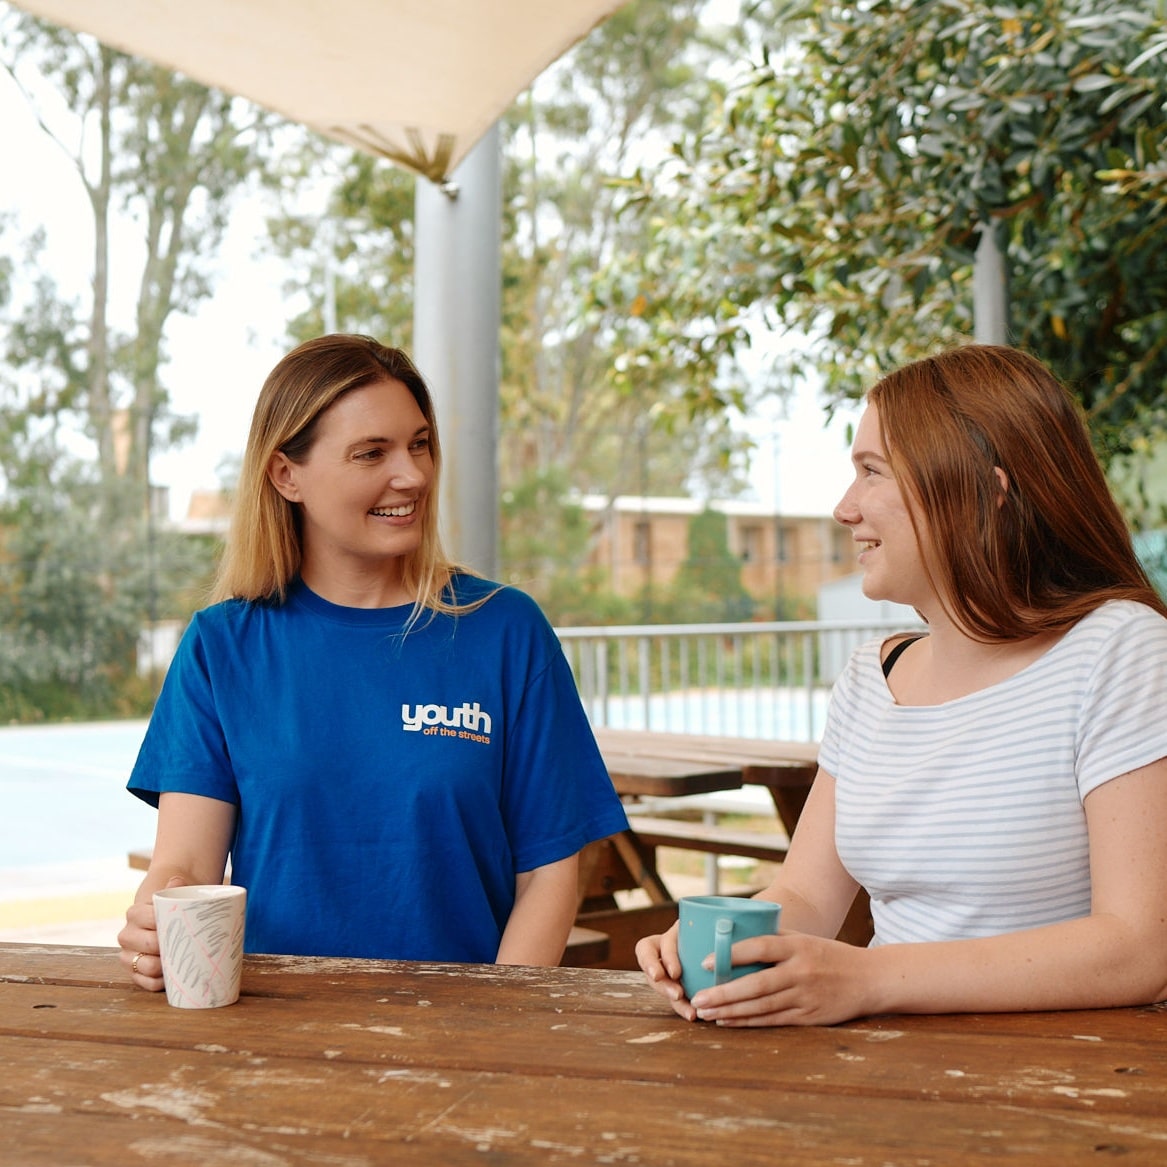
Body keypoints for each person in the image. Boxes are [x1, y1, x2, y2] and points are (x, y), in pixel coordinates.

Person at [637, 343, 1167, 1026]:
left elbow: (1138, 945)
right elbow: (803, 895)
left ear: (984, 492)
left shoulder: (1121, 649)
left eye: (870, 471)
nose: (842, 508)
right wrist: (709, 946)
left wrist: (868, 977)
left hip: (1062, 1088)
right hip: (887, 1078)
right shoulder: (868, 678)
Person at [119, 334, 628, 987]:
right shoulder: (222, 646)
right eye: (371, 453)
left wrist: (497, 1028)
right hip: (274, 1038)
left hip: (462, 1044)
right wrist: (153, 920)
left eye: (418, 444)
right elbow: (185, 866)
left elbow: (550, 871)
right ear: (285, 474)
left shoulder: (505, 630)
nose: (412, 475)